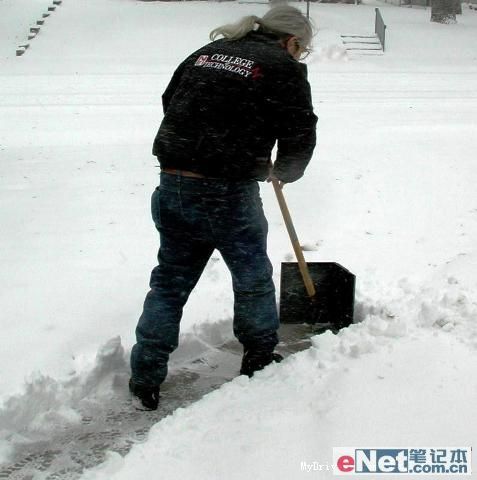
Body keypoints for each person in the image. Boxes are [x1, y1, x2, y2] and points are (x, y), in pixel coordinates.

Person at [130, 5, 318, 410]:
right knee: (252, 278)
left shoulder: (206, 53)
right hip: (228, 191)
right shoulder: (282, 66)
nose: (299, 55)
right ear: (291, 41)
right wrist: (285, 169)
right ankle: (259, 358)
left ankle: (145, 373)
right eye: (301, 49)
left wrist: (200, 144)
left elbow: (172, 101)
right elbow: (300, 128)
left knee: (169, 283)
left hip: (174, 183)